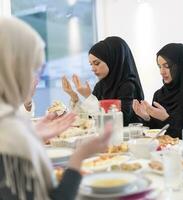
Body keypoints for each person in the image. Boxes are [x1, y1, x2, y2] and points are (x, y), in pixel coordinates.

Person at [0, 17, 112, 200]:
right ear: (11, 70)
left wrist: (32, 135)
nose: (34, 80)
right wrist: (78, 158)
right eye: (31, 69)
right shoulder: (10, 139)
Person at [62, 36, 144, 126]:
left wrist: (88, 96)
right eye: (91, 64)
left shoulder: (128, 86)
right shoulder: (100, 86)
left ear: (112, 60)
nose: (93, 69)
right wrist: (74, 97)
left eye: (96, 63)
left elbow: (118, 121)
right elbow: (88, 119)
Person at [133, 43, 183, 138]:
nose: (161, 72)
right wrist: (147, 118)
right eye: (160, 66)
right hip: (162, 152)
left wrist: (166, 119)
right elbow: (155, 132)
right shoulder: (159, 95)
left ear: (181, 66)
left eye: (167, 66)